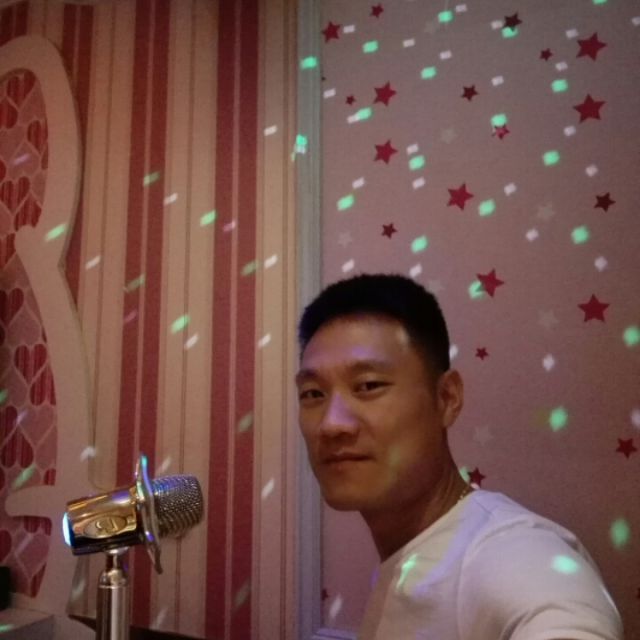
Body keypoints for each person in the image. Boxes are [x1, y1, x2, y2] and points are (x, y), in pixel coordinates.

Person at [296, 273, 623, 640]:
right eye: (312, 394)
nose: (331, 424)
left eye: (369, 385)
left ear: (447, 398)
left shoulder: (510, 551)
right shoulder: (411, 558)